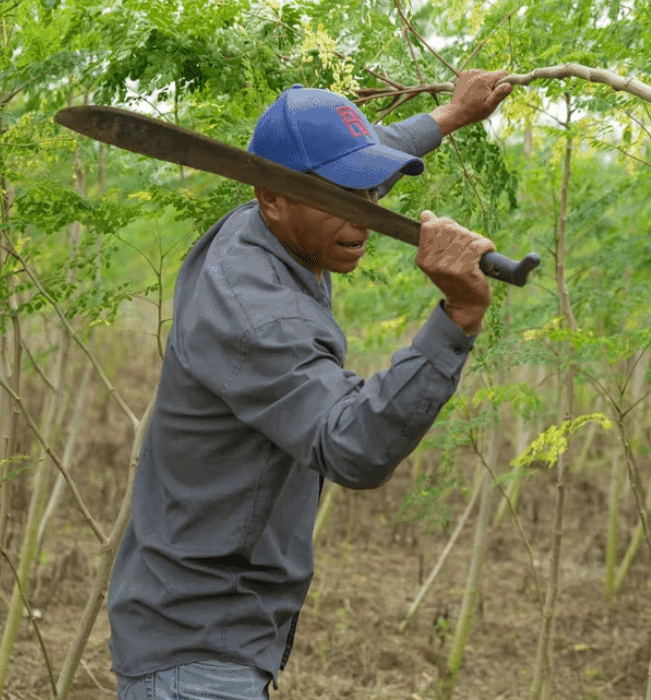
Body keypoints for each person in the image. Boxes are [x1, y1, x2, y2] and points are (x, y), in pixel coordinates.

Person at [107, 70, 513, 700]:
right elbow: (351, 445)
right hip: (197, 650)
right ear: (272, 196)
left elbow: (366, 150)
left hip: (212, 633)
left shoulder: (284, 222)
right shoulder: (257, 308)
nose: (367, 215)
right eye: (345, 195)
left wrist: (451, 116)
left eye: (373, 189)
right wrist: (458, 317)